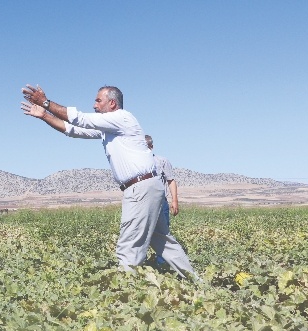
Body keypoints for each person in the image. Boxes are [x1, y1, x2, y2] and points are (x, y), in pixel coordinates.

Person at [20, 84, 196, 278]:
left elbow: (80, 118)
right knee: (163, 240)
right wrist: (45, 115)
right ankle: (196, 283)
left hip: (140, 188)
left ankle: (127, 295)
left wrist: (45, 102)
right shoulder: (109, 129)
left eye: (98, 100)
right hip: (148, 187)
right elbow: (73, 130)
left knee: (128, 246)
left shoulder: (122, 118)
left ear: (112, 103)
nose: (94, 105)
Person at [146, 135, 178, 266]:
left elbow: (171, 180)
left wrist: (174, 200)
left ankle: (162, 264)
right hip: (142, 203)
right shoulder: (134, 164)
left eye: (146, 147)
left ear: (151, 147)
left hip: (160, 202)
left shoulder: (161, 161)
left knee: (162, 232)